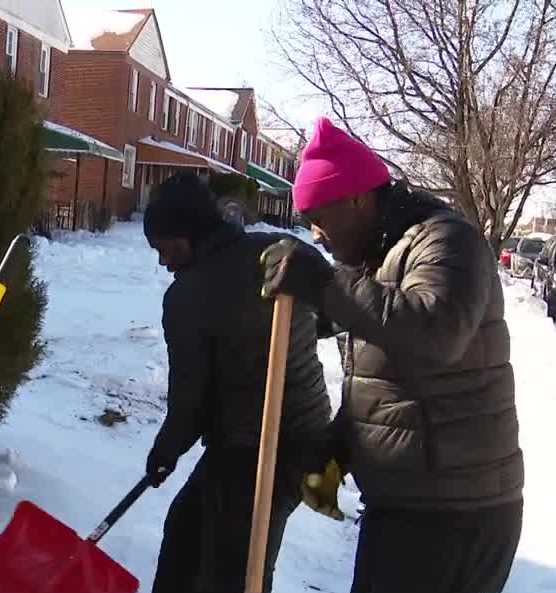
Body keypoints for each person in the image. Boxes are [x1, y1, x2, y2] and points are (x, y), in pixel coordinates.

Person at [261, 117, 524, 593]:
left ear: (358, 199)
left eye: (320, 216)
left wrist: (324, 283)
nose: (316, 233)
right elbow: (391, 382)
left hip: (454, 511)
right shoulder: (376, 260)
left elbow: (436, 334)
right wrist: (339, 449)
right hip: (411, 503)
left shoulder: (446, 241)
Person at [143, 172, 332, 593]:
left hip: (267, 445)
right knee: (187, 532)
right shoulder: (280, 250)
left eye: (163, 248)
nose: (162, 261)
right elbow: (335, 316)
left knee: (232, 568)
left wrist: (165, 450)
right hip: (302, 438)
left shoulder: (187, 297)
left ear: (186, 234)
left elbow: (189, 402)